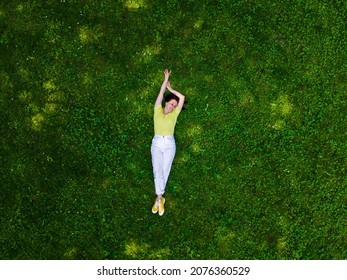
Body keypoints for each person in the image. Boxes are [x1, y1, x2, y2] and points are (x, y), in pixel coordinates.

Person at [151, 69, 185, 216]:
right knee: (157, 170)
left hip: (169, 143)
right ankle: (159, 198)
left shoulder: (175, 114)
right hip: (157, 142)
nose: (172, 107)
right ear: (166, 103)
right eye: (171, 103)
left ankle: (159, 199)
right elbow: (160, 93)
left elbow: (182, 98)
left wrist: (172, 89)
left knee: (165, 170)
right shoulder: (157, 109)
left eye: (174, 105)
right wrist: (165, 83)